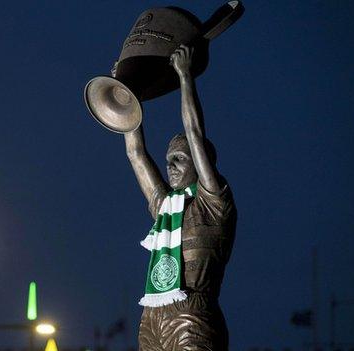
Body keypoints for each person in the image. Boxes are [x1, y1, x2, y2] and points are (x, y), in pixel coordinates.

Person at [122, 45, 237, 350]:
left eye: (179, 159)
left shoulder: (213, 202)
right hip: (152, 317)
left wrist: (185, 76)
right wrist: (126, 94)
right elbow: (136, 154)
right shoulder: (166, 208)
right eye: (168, 159)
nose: (169, 166)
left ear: (200, 165)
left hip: (193, 311)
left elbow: (194, 132)